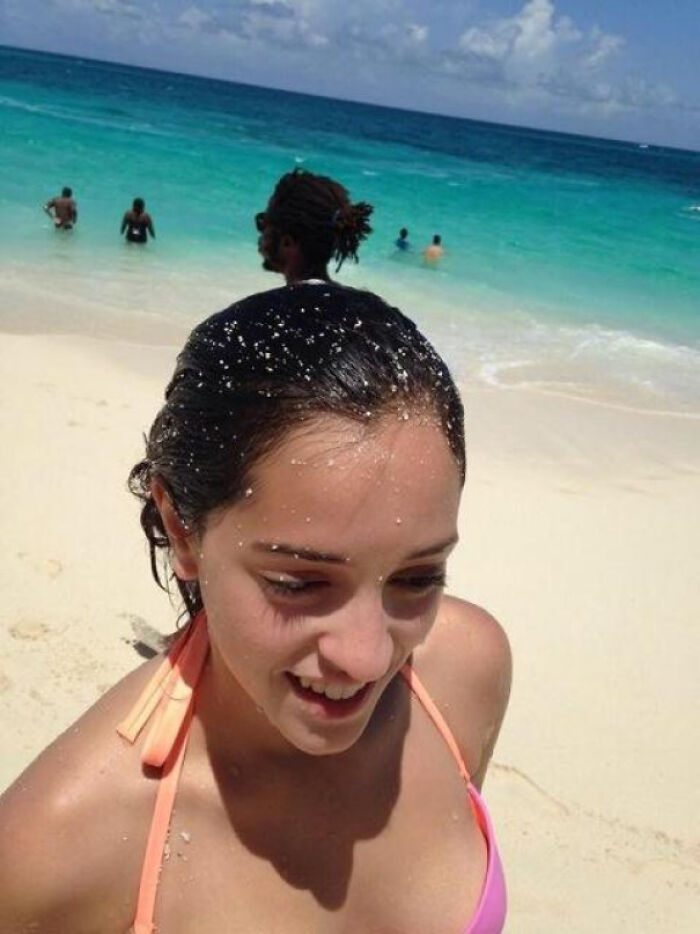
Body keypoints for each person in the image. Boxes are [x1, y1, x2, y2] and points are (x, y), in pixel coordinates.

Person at [0, 283, 511, 933]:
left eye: (417, 578)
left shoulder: (465, 674)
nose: (369, 655)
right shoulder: (58, 852)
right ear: (181, 531)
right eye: (299, 584)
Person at [256, 168, 373, 284]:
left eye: (263, 224)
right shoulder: (370, 303)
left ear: (287, 242)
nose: (260, 234)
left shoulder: (262, 303)